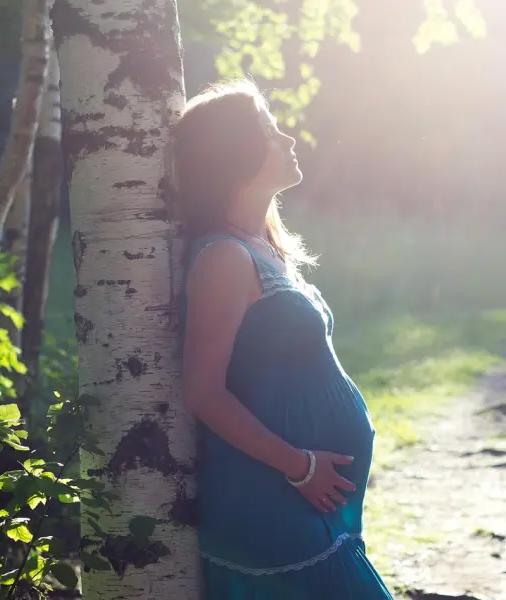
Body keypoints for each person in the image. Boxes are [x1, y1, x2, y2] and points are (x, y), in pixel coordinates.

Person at [173, 79, 394, 600]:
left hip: (306, 503)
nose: (288, 140)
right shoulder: (224, 258)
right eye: (271, 130)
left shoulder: (262, 247)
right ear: (236, 153)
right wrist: (301, 467)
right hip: (272, 497)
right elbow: (202, 392)